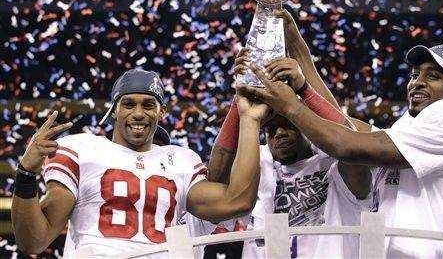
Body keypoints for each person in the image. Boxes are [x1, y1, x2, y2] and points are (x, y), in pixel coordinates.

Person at [241, 24, 443, 259]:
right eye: (415, 75)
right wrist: (303, 76)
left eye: (433, 76)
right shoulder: (409, 127)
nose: (417, 82)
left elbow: (346, 144)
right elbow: (344, 125)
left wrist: (291, 106)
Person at [11, 68, 268, 258]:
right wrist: (25, 174)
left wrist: (249, 119)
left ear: (162, 112)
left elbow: (238, 201)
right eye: (128, 104)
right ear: (113, 110)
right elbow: (34, 241)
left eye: (148, 104)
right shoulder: (81, 150)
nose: (138, 113)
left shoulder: (181, 160)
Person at [207, 46, 371, 258]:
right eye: (271, 128)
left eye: (288, 123)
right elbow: (215, 181)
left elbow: (351, 144)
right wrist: (239, 100)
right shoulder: (256, 163)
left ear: (302, 121)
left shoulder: (331, 162)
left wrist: (304, 89)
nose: (280, 133)